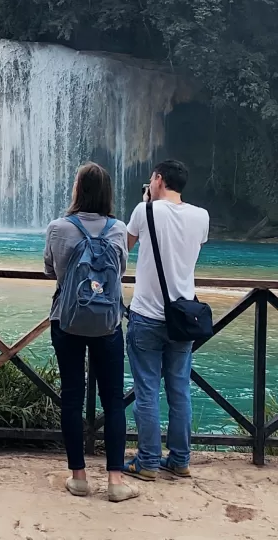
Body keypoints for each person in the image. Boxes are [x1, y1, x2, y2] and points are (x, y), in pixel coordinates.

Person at [45, 162, 139, 502]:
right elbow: (121, 270)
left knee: (71, 396)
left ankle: (79, 477)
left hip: (66, 321)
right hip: (108, 323)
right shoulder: (118, 229)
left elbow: (50, 269)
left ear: (78, 190)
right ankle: (115, 481)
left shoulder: (58, 227)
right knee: (114, 401)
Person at [124, 160, 209, 481]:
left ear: (158, 180)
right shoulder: (202, 217)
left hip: (146, 316)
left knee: (146, 392)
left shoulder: (144, 211)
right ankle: (180, 459)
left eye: (151, 179)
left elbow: (124, 250)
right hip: (184, 318)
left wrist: (147, 204)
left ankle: (146, 462)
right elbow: (188, 251)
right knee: (179, 390)